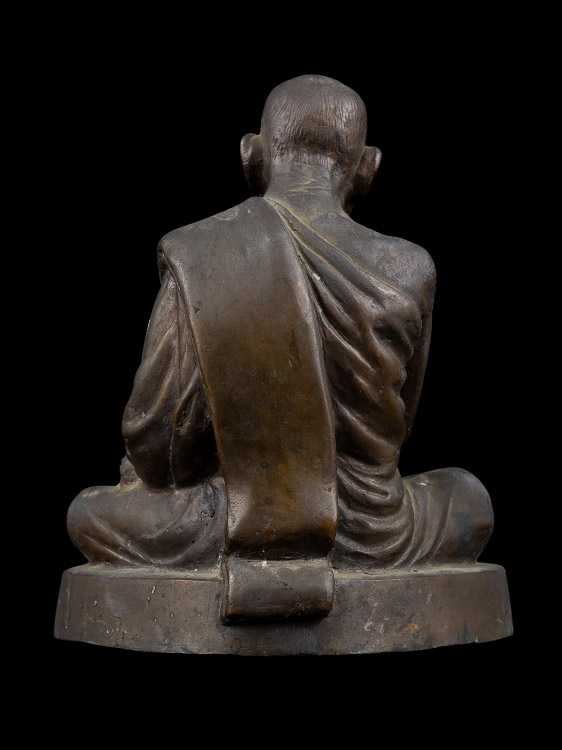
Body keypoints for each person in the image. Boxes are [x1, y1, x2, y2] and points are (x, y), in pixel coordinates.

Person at [68, 76, 493, 616]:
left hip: (227, 524)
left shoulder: (203, 253)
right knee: (468, 497)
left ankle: (264, 550)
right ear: (368, 167)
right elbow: (398, 426)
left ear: (252, 154)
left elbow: (155, 443)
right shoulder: (410, 268)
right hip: (372, 530)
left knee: (88, 512)